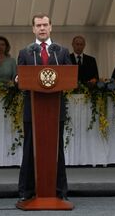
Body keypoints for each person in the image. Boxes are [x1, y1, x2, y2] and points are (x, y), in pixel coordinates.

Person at [17, 13, 71, 201]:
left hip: (55, 111)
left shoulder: (61, 52)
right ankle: (27, 192)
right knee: (30, 149)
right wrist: (18, 79)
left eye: (45, 25)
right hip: (33, 110)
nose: (42, 28)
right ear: (33, 29)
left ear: (51, 27)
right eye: (38, 25)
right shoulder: (26, 52)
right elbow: (20, 78)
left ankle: (59, 191)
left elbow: (70, 78)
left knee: (57, 151)